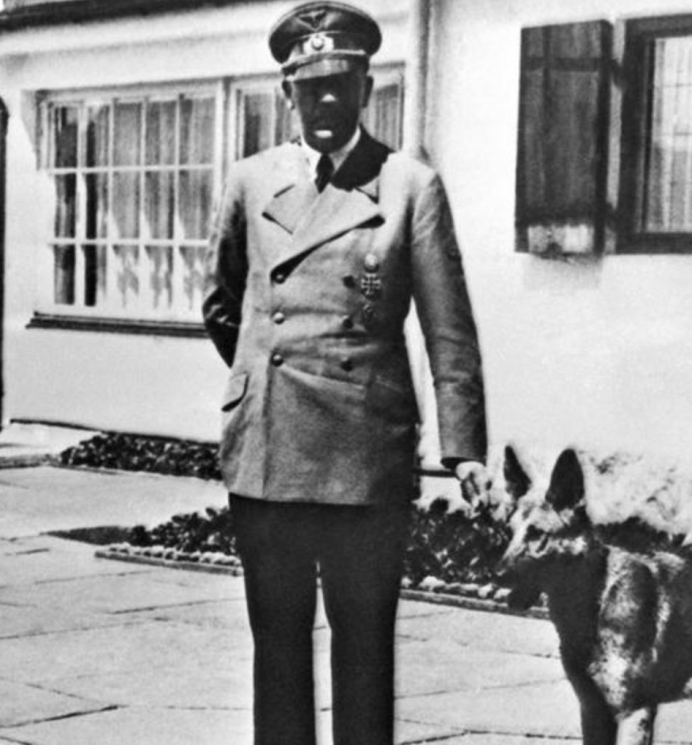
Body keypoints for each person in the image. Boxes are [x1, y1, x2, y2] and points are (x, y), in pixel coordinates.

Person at [202, 3, 489, 743]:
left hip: (363, 455)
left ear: (367, 87)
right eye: (310, 87)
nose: (325, 101)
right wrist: (265, 376)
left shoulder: (407, 186)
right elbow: (222, 304)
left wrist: (464, 448)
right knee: (278, 649)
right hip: (268, 452)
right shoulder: (249, 181)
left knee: (364, 651)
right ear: (286, 93)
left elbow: (448, 329)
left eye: (341, 84)